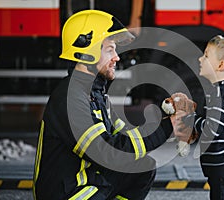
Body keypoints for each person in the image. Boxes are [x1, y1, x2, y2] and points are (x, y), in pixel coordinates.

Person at [33, 10, 180, 200]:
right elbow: (107, 153)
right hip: (68, 193)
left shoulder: (95, 94)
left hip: (88, 181)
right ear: (87, 52)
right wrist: (166, 128)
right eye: (110, 49)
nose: (117, 57)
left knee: (142, 168)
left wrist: (166, 120)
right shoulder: (71, 98)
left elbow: (123, 138)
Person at [174, 35, 224, 200]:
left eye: (206, 55)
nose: (200, 59)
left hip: (223, 160)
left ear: (220, 65)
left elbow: (212, 129)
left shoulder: (220, 93)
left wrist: (190, 118)